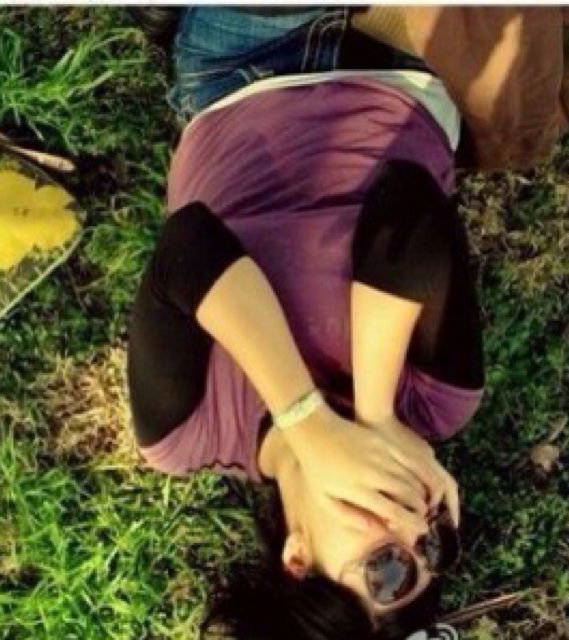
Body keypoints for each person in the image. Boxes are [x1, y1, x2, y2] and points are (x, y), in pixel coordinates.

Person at [126, 7, 484, 639]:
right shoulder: (435, 403)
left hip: (240, 67)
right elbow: (408, 205)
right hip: (403, 57)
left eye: (386, 570)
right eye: (434, 547)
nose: (412, 525)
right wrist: (376, 416)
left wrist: (307, 419)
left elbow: (188, 248)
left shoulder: (187, 435)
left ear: (297, 559)